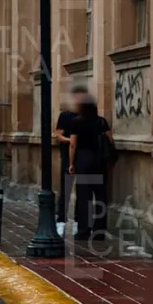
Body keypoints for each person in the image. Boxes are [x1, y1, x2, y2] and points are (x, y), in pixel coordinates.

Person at [68, 97, 114, 241]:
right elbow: (110, 140)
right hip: (99, 161)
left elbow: (73, 145)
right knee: (100, 195)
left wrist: (71, 163)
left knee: (84, 197)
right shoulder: (101, 121)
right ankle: (99, 231)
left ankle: (84, 230)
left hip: (83, 161)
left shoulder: (76, 122)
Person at [56, 85, 89, 236]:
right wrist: (71, 140)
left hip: (83, 157)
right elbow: (59, 135)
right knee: (66, 189)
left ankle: (78, 222)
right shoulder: (65, 116)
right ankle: (61, 221)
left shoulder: (87, 117)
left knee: (82, 191)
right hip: (67, 154)